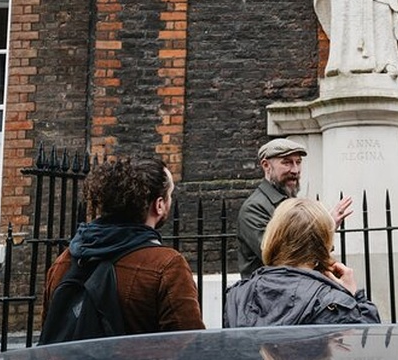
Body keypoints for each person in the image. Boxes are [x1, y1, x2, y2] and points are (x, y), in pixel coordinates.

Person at [41, 157, 205, 335]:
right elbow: (188, 343)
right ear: (159, 205)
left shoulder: (63, 262)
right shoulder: (167, 266)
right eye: (170, 195)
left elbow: (50, 331)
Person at [225, 198, 380, 326]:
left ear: (273, 236)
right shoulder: (333, 303)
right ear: (323, 244)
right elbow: (367, 346)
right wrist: (354, 296)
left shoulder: (238, 295)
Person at [237, 138, 352, 278]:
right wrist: (323, 229)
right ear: (266, 165)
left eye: (298, 162)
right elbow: (279, 257)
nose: (295, 170)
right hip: (266, 294)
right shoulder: (255, 208)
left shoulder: (290, 201)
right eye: (287, 162)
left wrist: (326, 226)